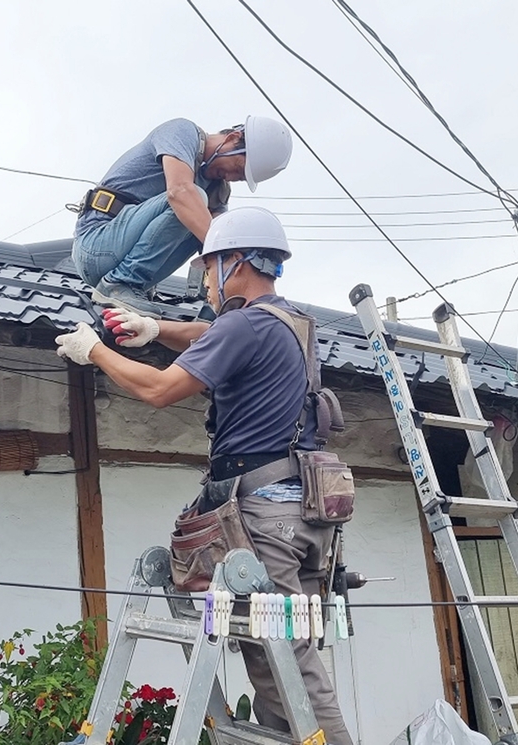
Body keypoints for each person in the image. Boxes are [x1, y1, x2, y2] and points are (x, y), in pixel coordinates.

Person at [54, 206, 353, 745]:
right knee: (277, 653)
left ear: (234, 263)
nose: (206, 283)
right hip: (304, 510)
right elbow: (209, 334)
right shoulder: (292, 323)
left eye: (207, 269)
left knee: (289, 654)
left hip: (265, 513)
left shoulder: (244, 325)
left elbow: (159, 390)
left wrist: (94, 350)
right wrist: (154, 329)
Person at [71, 116, 292, 317]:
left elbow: (213, 250)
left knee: (215, 229)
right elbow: (179, 192)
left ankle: (132, 284)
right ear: (233, 139)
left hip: (140, 275)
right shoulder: (182, 133)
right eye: (238, 168)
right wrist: (225, 247)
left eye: (241, 178)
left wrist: (219, 305)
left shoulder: (218, 190)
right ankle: (119, 283)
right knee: (192, 200)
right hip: (96, 246)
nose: (232, 178)